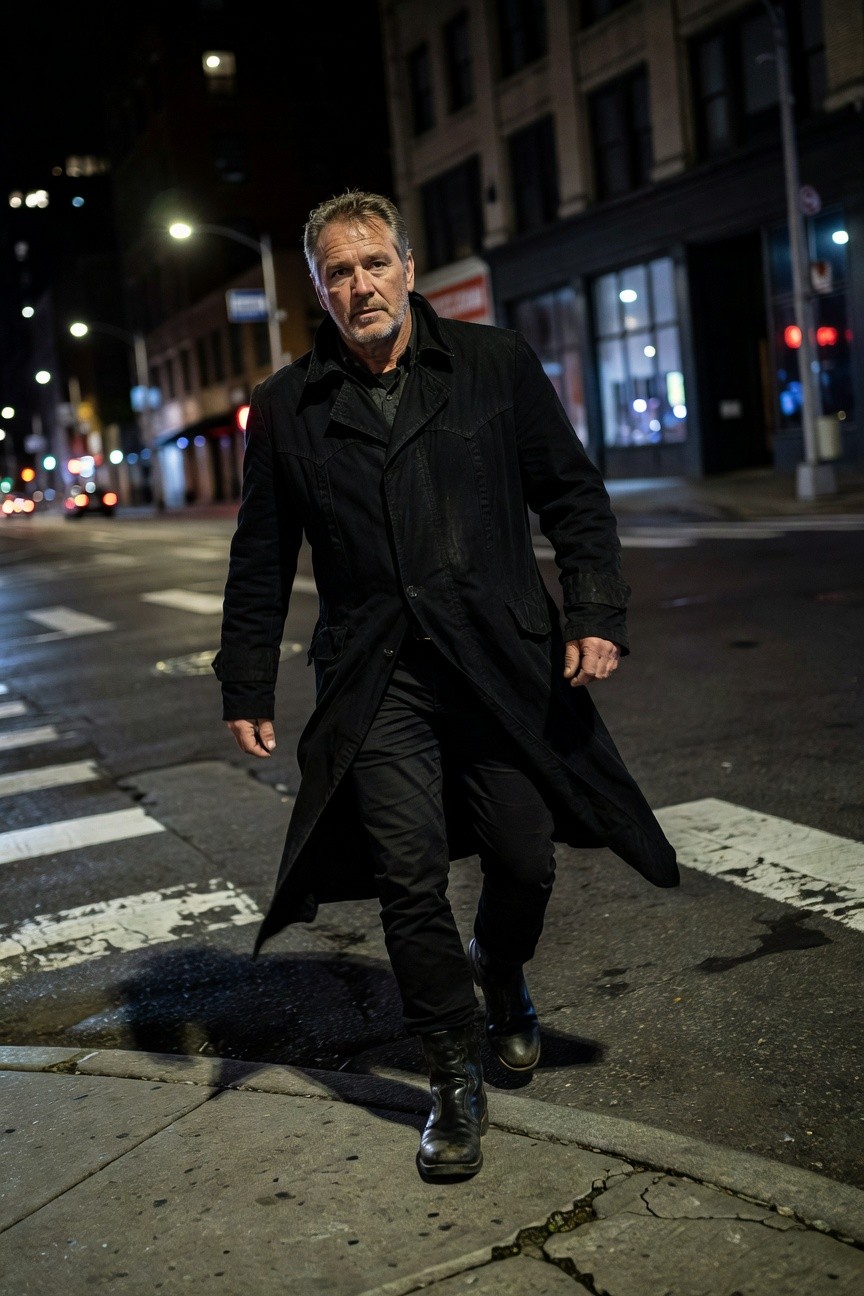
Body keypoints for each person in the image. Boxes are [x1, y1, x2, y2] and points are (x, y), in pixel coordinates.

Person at [214, 190, 679, 1181]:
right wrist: (245, 682)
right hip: (376, 679)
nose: (360, 286)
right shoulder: (289, 406)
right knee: (407, 876)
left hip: (498, 663)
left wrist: (594, 612)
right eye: (338, 272)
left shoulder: (493, 364)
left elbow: (572, 495)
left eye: (374, 263)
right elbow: (261, 558)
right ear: (318, 292)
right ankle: (453, 1074)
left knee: (524, 858)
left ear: (409, 268)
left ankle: (499, 968)